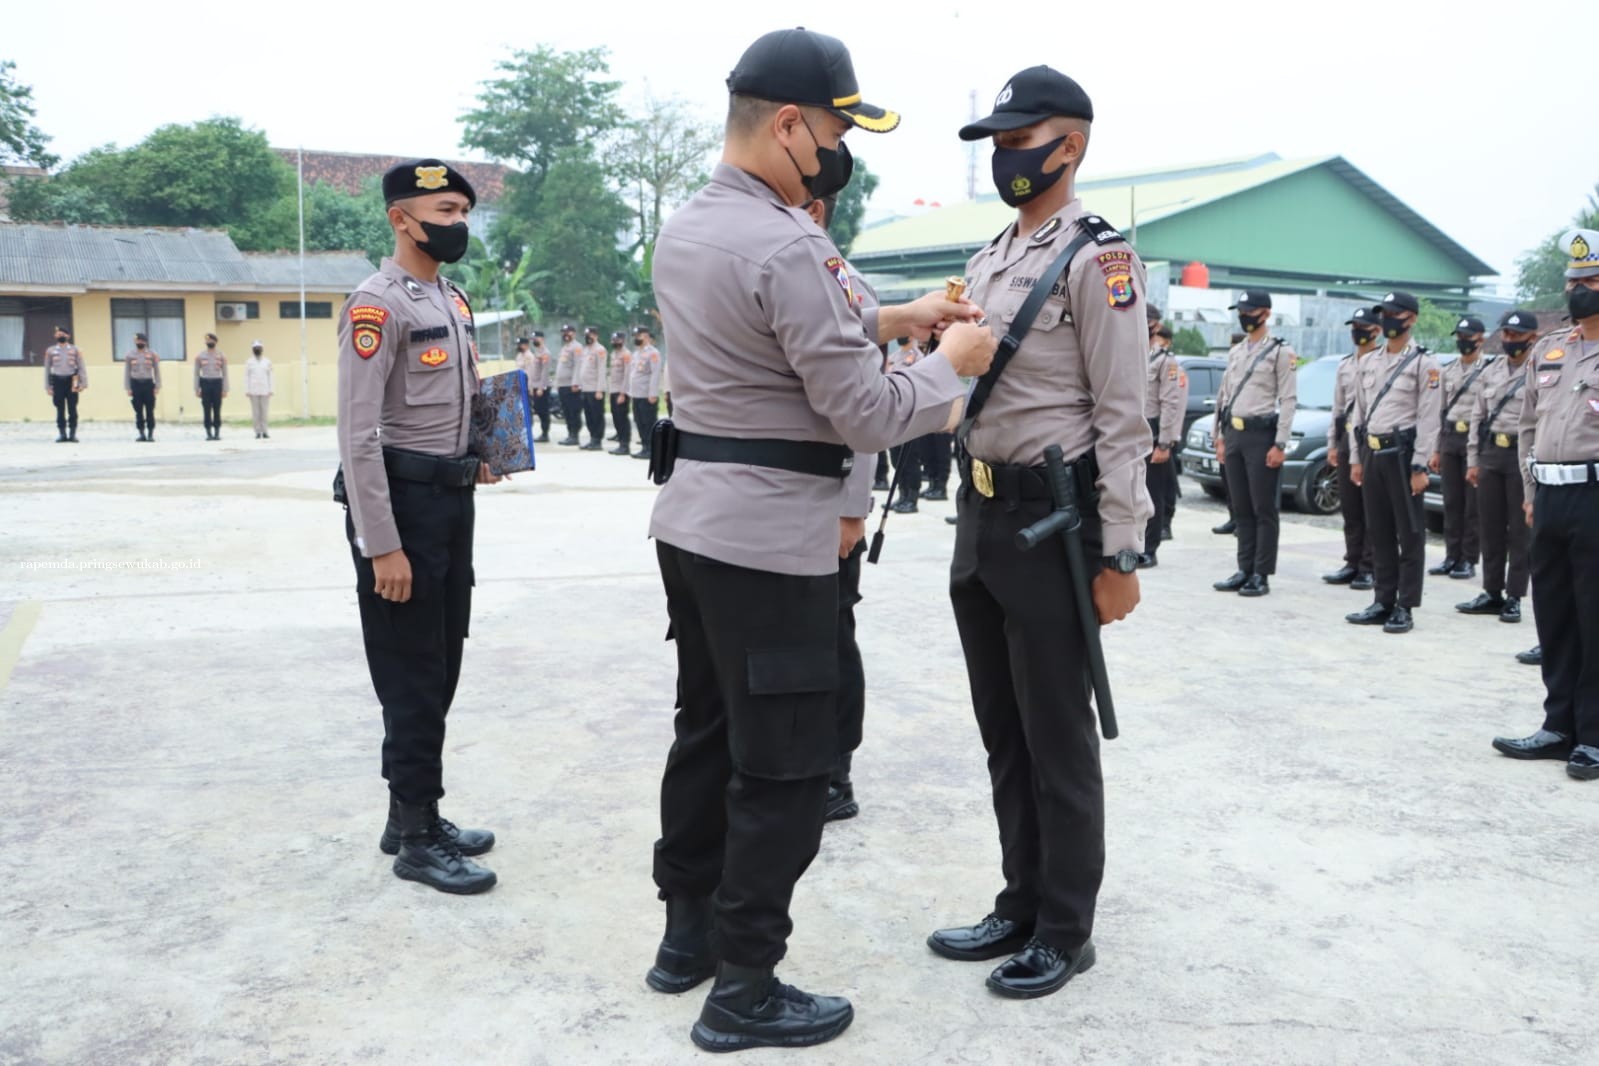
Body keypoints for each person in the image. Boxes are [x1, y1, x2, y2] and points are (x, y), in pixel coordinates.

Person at [644, 28, 994, 1052]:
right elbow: (867, 414)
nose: (838, 150)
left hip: (695, 524)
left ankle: (686, 937)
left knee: (706, 734)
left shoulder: (696, 227)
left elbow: (790, 335)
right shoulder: (791, 241)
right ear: (791, 124)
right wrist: (953, 361)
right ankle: (746, 984)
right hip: (771, 542)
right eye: (834, 128)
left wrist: (904, 313)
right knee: (788, 766)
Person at [926, 64, 1148, 1003]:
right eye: (998, 143)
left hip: (1054, 523)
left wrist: (1121, 551)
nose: (1006, 157)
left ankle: (1065, 926)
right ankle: (1018, 898)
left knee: (1056, 733)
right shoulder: (991, 255)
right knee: (1002, 730)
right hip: (980, 516)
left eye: (1021, 140)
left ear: (1071, 145)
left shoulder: (1100, 258)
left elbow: (1125, 413)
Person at [335, 158, 504, 894]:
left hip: (449, 502)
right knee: (411, 671)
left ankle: (408, 815)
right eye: (442, 210)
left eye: (463, 210)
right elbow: (358, 432)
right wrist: (383, 545)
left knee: (440, 659)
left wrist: (483, 454)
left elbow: (457, 400)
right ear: (401, 219)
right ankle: (417, 837)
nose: (456, 223)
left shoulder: (452, 299)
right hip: (400, 508)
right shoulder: (378, 305)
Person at [1492, 229, 1599, 781]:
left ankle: (1594, 736)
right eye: (1574, 282)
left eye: (1591, 281)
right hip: (1551, 495)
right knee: (1554, 613)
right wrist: (1532, 494)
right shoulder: (1550, 348)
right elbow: (1529, 426)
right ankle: (1558, 726)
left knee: (1594, 616)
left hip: (1596, 495)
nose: (1580, 290)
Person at [1346, 291, 1441, 635]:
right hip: (1372, 452)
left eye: (1394, 314)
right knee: (1379, 530)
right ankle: (1383, 599)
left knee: (1410, 533)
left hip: (1403, 456)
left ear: (1411, 319)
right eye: (1383, 313)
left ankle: (1406, 605)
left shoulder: (1424, 364)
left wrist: (1420, 467)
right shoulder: (1369, 361)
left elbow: (1430, 419)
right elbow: (1358, 412)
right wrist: (1356, 458)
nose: (1387, 320)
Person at [1213, 292, 1297, 597]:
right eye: (1241, 310)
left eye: (1249, 311)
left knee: (1263, 509)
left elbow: (1288, 400)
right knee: (1241, 507)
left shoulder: (1280, 352)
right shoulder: (1236, 352)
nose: (1243, 315)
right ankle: (1243, 568)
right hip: (1234, 434)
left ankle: (1261, 573)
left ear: (1265, 313)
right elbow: (1224, 396)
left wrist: (1280, 444)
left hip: (1261, 436)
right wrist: (1219, 436)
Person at [1458, 310, 1538, 623]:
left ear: (1533, 338)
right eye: (1506, 334)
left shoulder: (1539, 370)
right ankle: (1491, 591)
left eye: (1516, 336)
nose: (1509, 340)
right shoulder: (1491, 371)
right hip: (1491, 453)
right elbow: (1477, 417)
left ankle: (1515, 596)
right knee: (1489, 526)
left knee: (1520, 531)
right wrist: (1473, 459)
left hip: (1521, 455)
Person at [1323, 307, 1382, 589]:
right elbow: (1337, 407)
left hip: (1371, 438)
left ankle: (1370, 566)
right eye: (1354, 327)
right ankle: (1352, 560)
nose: (1357, 332)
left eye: (1363, 327)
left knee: (1370, 505)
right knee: (1350, 506)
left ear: (1377, 331)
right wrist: (1332, 443)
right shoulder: (1345, 364)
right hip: (1347, 438)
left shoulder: (1383, 362)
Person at [1430, 315, 1490, 579]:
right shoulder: (1448, 370)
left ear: (1481, 339)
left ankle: (1468, 558)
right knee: (1452, 501)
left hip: (1475, 440)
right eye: (1460, 337)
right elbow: (1439, 413)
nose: (1463, 342)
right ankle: (1451, 556)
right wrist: (1435, 449)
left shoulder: (1489, 371)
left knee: (1472, 504)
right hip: (1451, 438)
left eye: (1468, 338)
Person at [1141, 319, 1185, 567]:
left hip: (1153, 431)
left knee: (1153, 493)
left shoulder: (1165, 361)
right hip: (1133, 430)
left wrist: (1165, 442)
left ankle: (1150, 548)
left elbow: (1170, 403)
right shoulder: (1134, 353)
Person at [43, 325, 86, 443]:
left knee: (73, 408)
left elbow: (81, 366)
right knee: (59, 408)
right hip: (57, 381)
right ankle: (62, 434)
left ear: (68, 336)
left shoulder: (75, 349)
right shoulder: (50, 350)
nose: (61, 335)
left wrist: (83, 383)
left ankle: (72, 434)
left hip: (73, 380)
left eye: (63, 334)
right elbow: (47, 369)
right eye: (59, 334)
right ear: (55, 335)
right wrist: (48, 386)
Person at [629, 325, 663, 460]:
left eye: (639, 336)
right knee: (639, 421)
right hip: (636, 394)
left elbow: (655, 374)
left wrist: (653, 393)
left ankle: (652, 449)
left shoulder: (653, 353)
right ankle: (644, 447)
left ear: (647, 336)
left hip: (647, 395)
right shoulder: (636, 353)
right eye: (635, 336)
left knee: (649, 422)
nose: (636, 338)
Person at [124, 331, 161, 442]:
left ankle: (150, 434)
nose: (139, 342)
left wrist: (157, 386)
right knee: (138, 411)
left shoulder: (152, 354)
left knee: (150, 410)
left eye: (141, 340)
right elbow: (127, 372)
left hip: (148, 384)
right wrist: (128, 388)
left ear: (145, 342)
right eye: (137, 340)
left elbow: (157, 371)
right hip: (135, 384)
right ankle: (141, 433)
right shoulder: (130, 355)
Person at [194, 332, 229, 441]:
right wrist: (197, 388)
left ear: (215, 342)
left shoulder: (221, 356)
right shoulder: (200, 356)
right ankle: (208, 432)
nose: (209, 342)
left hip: (217, 383)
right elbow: (196, 373)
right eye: (207, 341)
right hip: (205, 383)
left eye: (211, 341)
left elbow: (225, 373)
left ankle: (217, 432)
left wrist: (225, 389)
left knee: (217, 409)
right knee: (206, 409)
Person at [577, 326, 607, 450]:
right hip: (585, 388)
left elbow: (601, 370)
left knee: (597, 415)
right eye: (586, 335)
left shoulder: (600, 349)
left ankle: (597, 440)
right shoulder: (585, 350)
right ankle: (592, 438)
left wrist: (599, 389)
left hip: (595, 389)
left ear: (596, 335)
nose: (587, 337)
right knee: (588, 415)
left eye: (590, 335)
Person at [555, 325, 582, 445]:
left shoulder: (577, 347)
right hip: (563, 385)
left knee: (573, 411)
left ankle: (574, 435)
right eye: (564, 332)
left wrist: (576, 382)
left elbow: (578, 365)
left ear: (574, 333)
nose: (566, 334)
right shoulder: (564, 348)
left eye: (568, 332)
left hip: (571, 385)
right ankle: (570, 434)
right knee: (566, 411)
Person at [607, 330, 633, 455]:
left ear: (622, 340)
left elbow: (627, 375)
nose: (614, 342)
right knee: (616, 417)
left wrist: (623, 393)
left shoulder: (626, 354)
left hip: (621, 391)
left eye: (616, 340)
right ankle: (620, 440)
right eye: (613, 340)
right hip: (613, 390)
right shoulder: (614, 354)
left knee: (622, 418)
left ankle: (625, 445)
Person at [526, 332, 554, 442]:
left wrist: (541, 388)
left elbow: (544, 372)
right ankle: (543, 433)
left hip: (542, 387)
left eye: (535, 338)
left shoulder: (545, 353)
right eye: (533, 339)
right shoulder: (536, 352)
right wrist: (532, 386)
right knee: (538, 409)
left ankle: (545, 433)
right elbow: (534, 372)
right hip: (536, 386)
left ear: (542, 339)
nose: (534, 340)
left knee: (543, 410)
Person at [244, 340, 273, 439]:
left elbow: (271, 376)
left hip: (265, 390)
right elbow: (246, 376)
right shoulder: (249, 362)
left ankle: (265, 431)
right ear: (253, 350)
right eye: (255, 348)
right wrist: (247, 390)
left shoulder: (267, 361)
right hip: (253, 391)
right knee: (255, 412)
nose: (257, 349)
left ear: (262, 349)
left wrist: (271, 389)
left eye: (259, 348)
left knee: (264, 412)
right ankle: (257, 432)